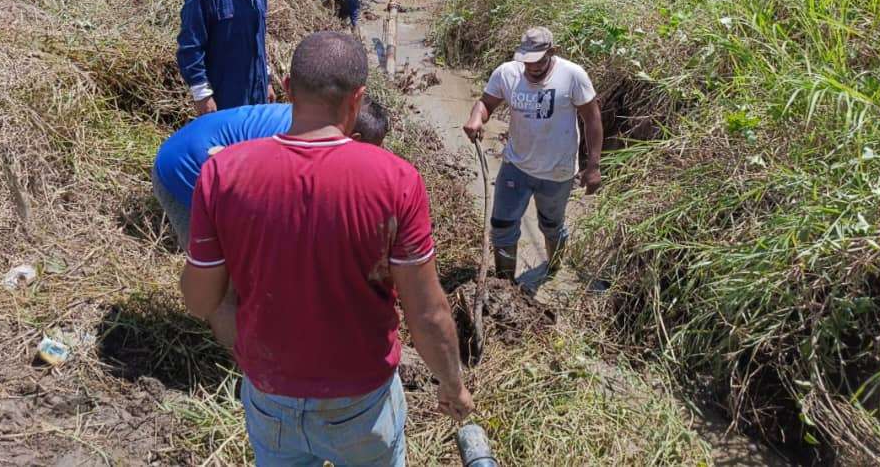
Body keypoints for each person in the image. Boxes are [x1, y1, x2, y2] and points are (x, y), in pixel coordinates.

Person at [182, 32, 472, 465]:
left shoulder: (223, 173)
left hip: (269, 394)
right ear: (358, 99)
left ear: (285, 88)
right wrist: (452, 384)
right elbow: (427, 314)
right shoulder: (396, 180)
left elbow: (199, 298)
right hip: (362, 402)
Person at [154, 97, 390, 349]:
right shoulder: (297, 147)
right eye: (367, 152)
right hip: (186, 170)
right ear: (352, 137)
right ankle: (249, 373)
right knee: (223, 284)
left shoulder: (323, 121)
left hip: (219, 158)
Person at [462, 27, 603, 280]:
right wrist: (476, 117)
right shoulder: (507, 74)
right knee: (502, 226)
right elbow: (486, 104)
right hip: (516, 166)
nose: (532, 68)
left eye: (538, 61)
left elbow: (592, 119)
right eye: (527, 62)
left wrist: (593, 167)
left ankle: (553, 269)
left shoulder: (572, 76)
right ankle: (504, 286)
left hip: (557, 172)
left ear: (552, 52)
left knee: (551, 227)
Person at [176, 0, 287, 116]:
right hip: (225, 95)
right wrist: (202, 94)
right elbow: (190, 44)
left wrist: (266, 80)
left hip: (255, 92)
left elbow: (258, 40)